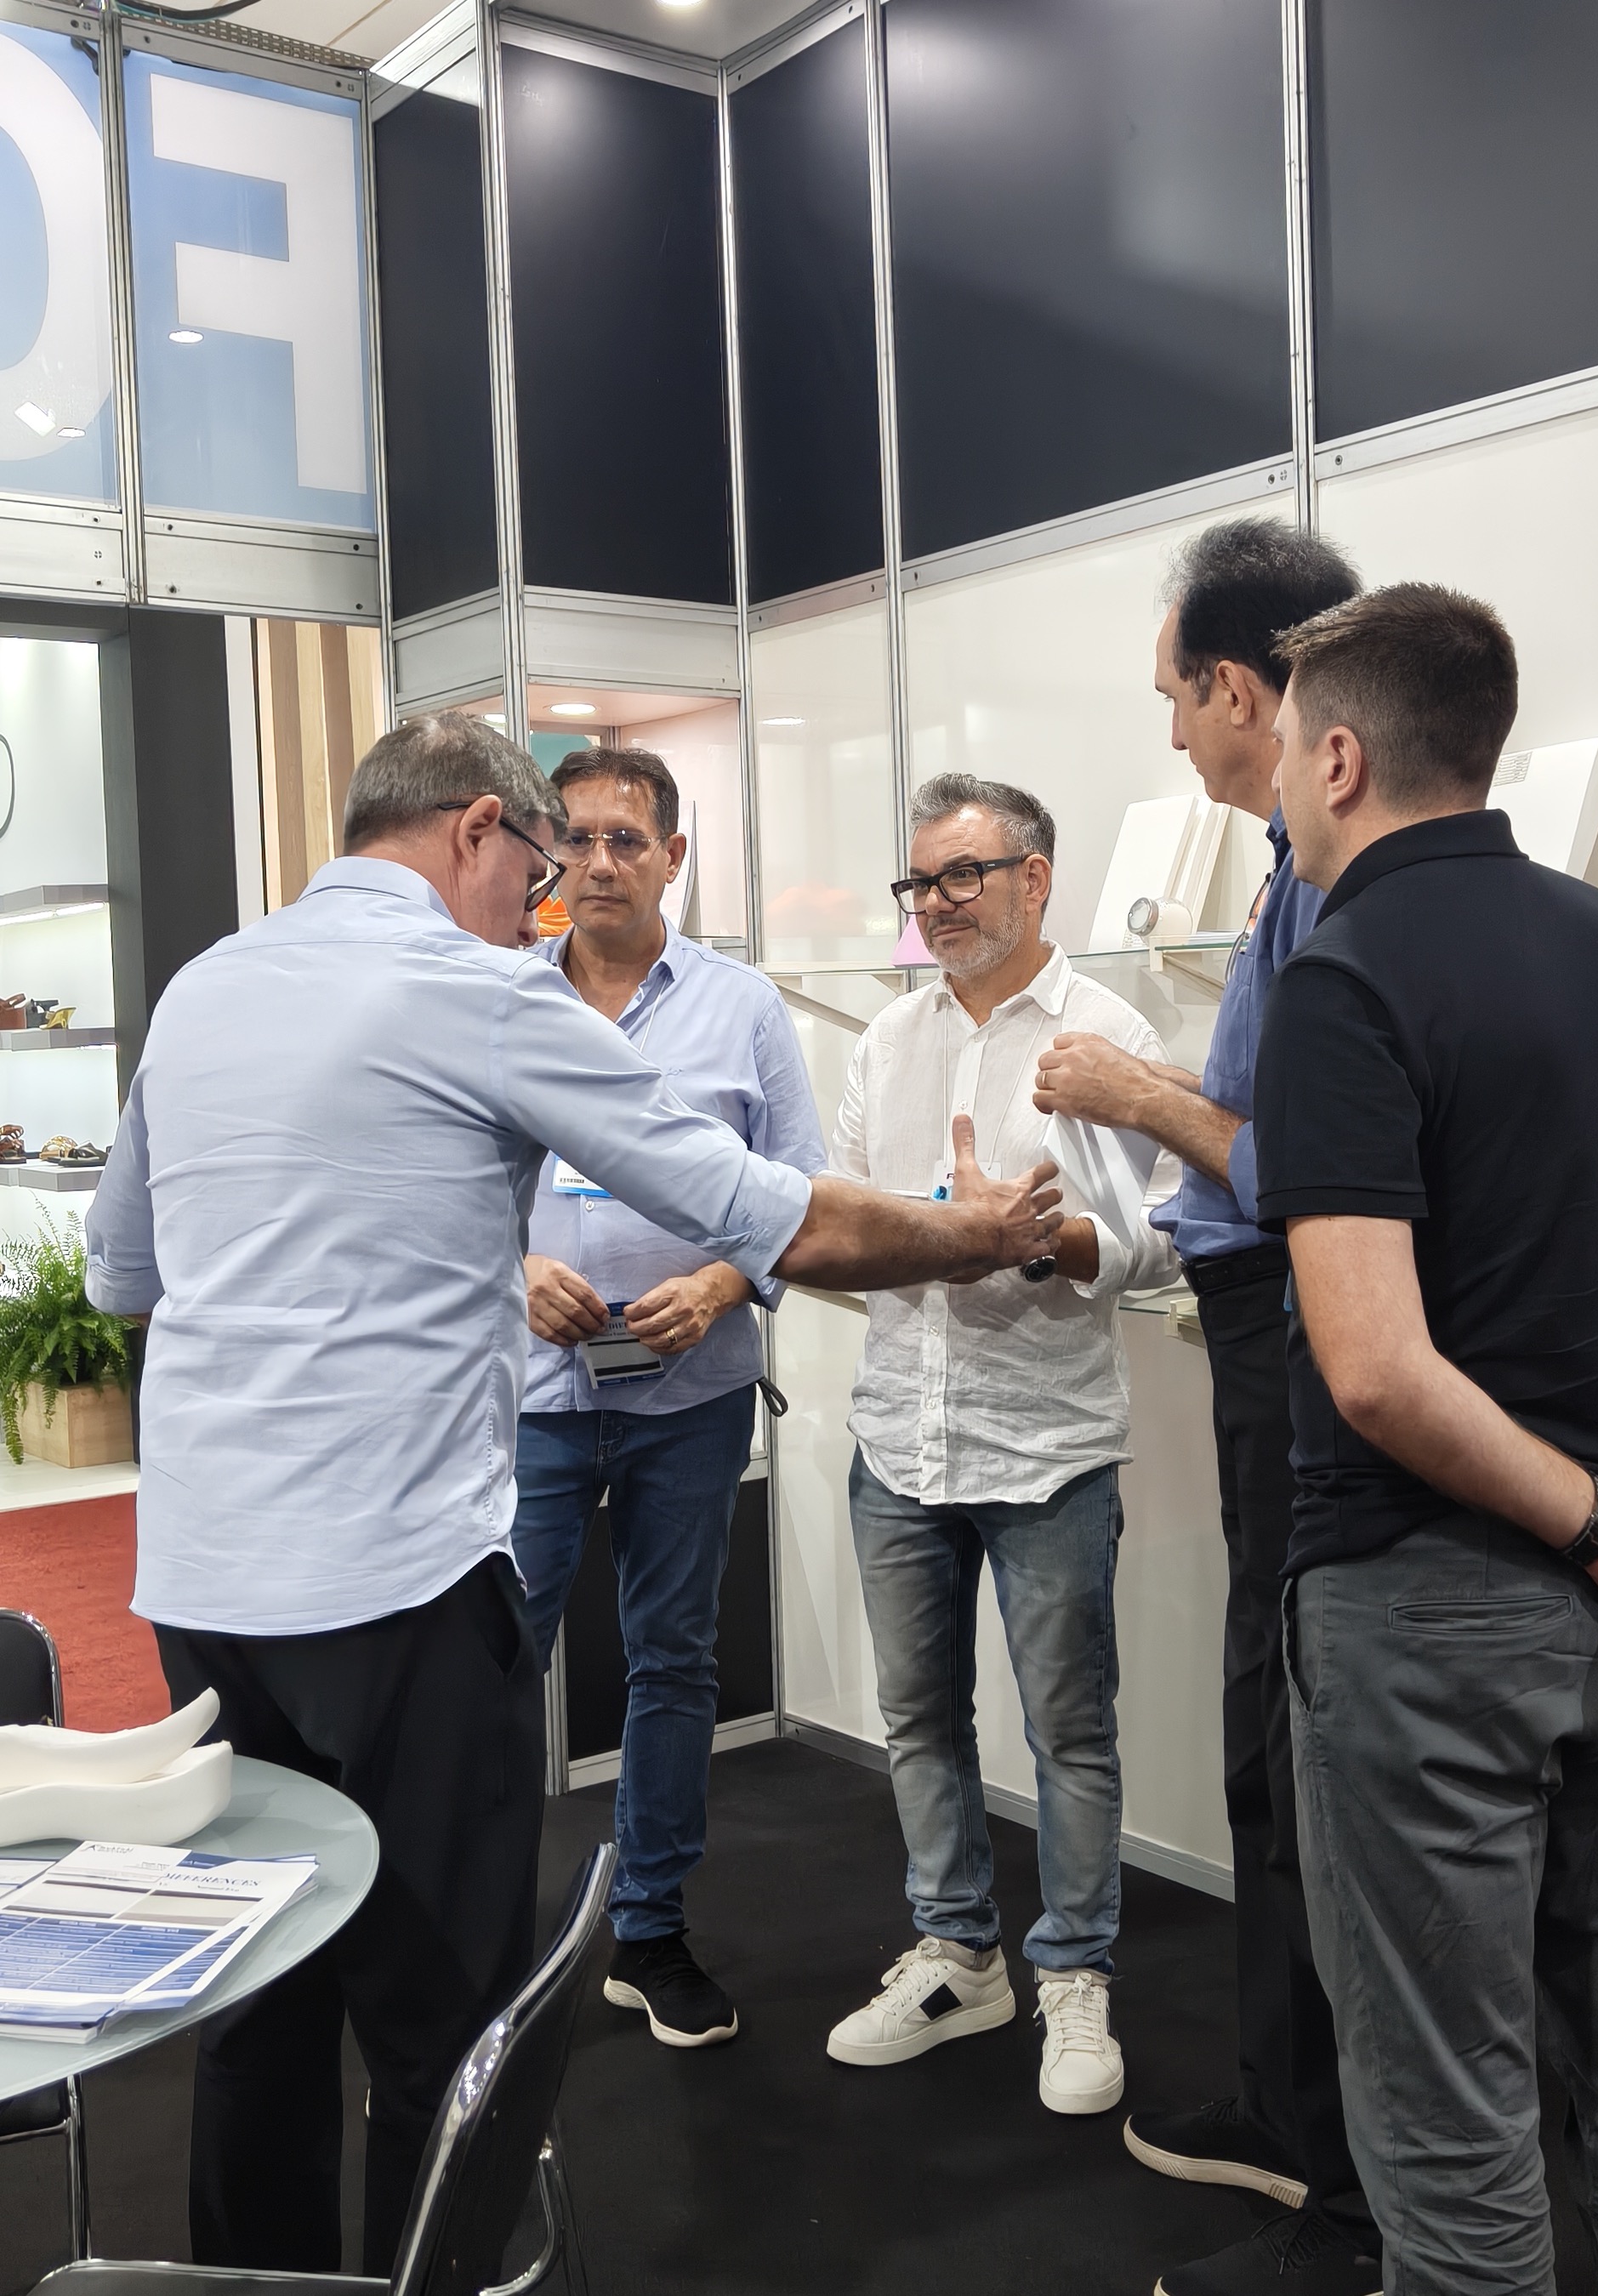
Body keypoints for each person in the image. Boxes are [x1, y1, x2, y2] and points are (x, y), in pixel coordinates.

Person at [82, 713, 1062, 2278]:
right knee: (440, 2028)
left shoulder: (206, 984)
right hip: (397, 1581)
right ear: (479, 829)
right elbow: (776, 1217)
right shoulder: (479, 990)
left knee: (259, 2002)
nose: (542, 905)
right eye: (536, 869)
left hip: (204, 1585)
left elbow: (122, 1272)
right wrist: (979, 1234)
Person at [1253, 585, 1598, 2294]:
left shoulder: (1340, 980)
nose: (1278, 787)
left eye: (1285, 752)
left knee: (1448, 2114)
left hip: (1437, 1617)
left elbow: (1377, 1373)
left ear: (1343, 758)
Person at [1032, 520, 1379, 2294]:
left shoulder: (1337, 882)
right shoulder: (1295, 874)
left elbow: (1312, 1162)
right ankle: (1299, 2103)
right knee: (1272, 1723)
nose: (1171, 731)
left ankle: (1336, 2153)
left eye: (1178, 696)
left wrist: (1137, 1095)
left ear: (1246, 691)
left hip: (1304, 1350)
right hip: (1269, 1337)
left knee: (1298, 1730)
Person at [823, 773, 1181, 2117]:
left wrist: (1038, 1242)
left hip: (1046, 1447)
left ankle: (1074, 1972)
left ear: (1036, 878)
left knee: (1068, 1730)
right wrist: (934, 1232)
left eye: (962, 875)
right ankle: (958, 1955)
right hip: (898, 1439)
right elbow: (844, 1212)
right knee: (918, 1717)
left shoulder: (1109, 1035)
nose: (936, 903)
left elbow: (1160, 1239)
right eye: (920, 882)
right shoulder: (887, 1039)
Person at [513, 745, 827, 2049]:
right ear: (546, 853)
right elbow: (439, 1187)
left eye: (625, 840)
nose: (597, 863)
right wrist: (512, 1266)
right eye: (575, 839)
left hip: (691, 1391)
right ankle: (476, 1935)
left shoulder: (743, 1010)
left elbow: (799, 1193)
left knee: (674, 1660)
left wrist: (722, 1282)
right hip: (529, 1394)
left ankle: (649, 1932)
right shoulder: (496, 999)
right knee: (492, 1659)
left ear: (673, 857)